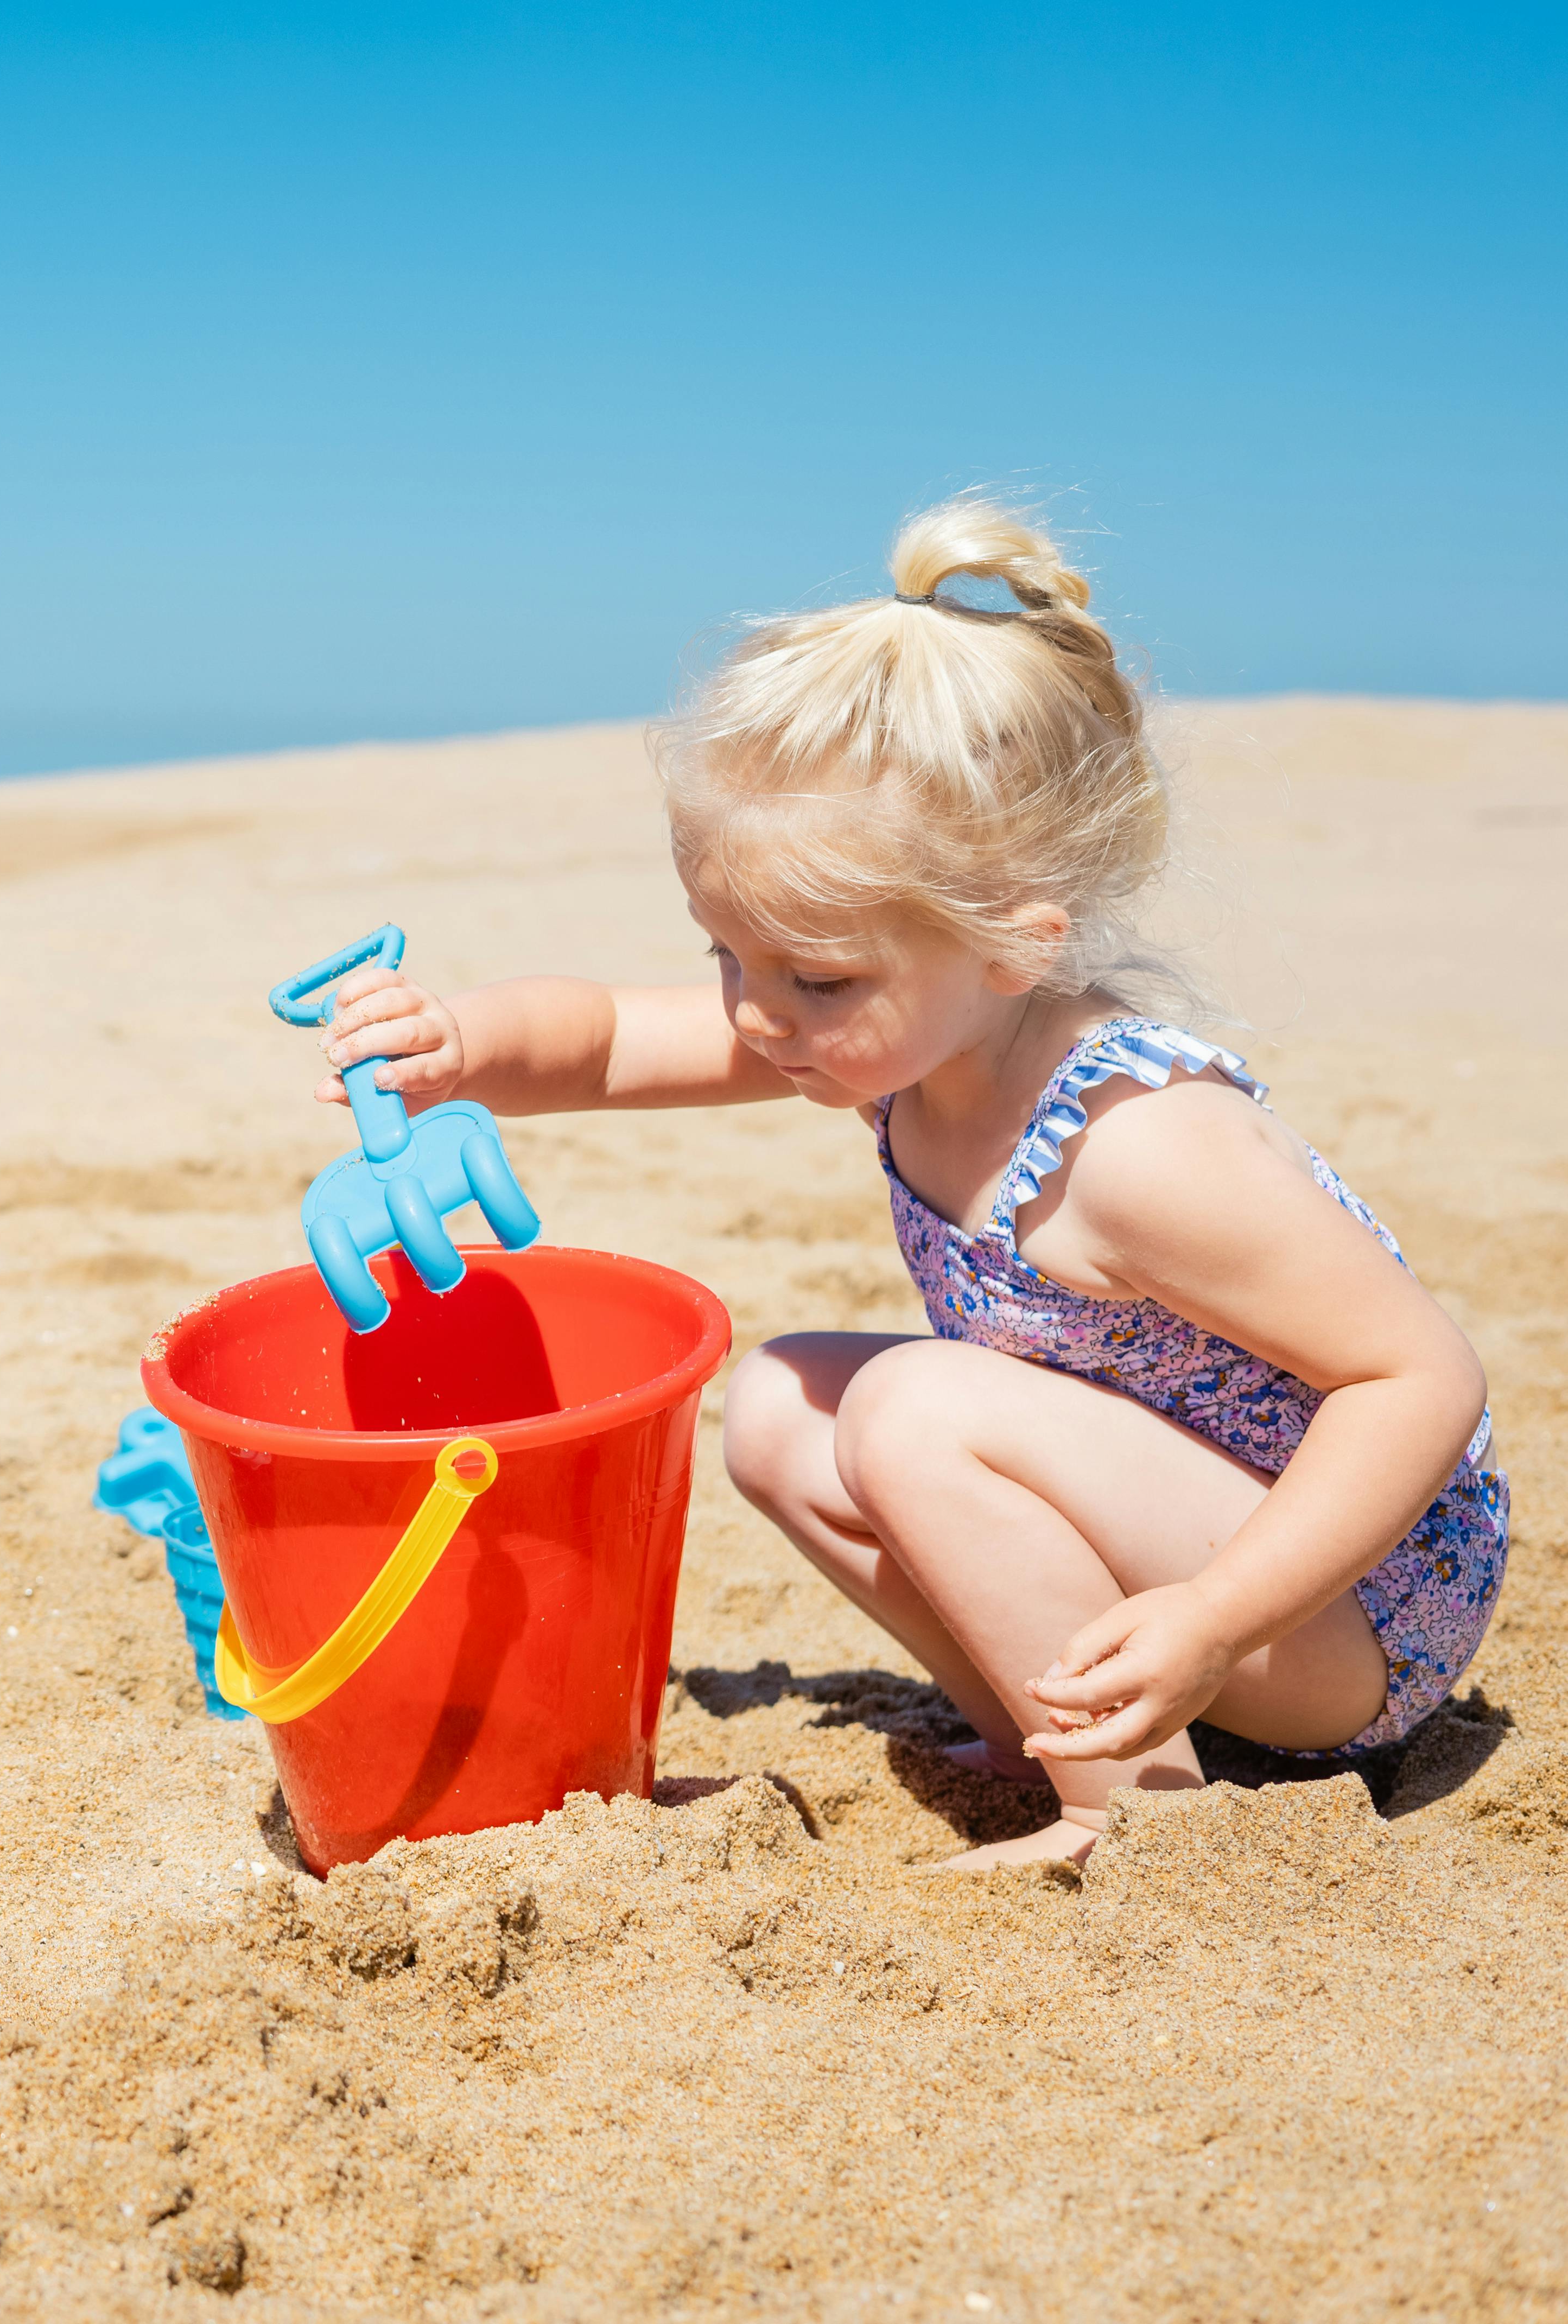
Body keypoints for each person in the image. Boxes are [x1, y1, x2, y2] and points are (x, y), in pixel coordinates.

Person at [313, 496, 1505, 1867]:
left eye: (810, 976)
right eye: (725, 955)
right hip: (1202, 1558)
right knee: (776, 1406)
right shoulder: (897, 1029)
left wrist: (1219, 1617)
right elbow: (610, 1037)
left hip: (1350, 1610)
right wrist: (456, 1045)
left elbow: (1417, 1379)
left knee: (909, 1406)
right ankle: (1041, 1716)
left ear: (1013, 940)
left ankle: (1138, 1813)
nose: (755, 1016)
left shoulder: (1137, 1145)